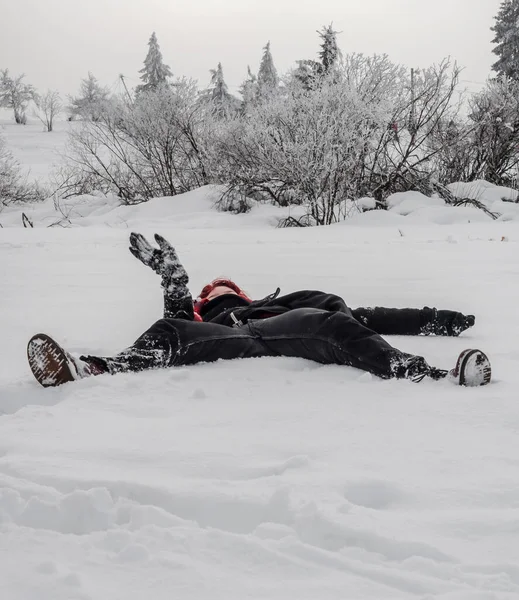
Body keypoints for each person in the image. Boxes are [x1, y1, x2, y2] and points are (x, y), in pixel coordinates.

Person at [27, 232, 492, 389]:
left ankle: (433, 376)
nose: (217, 289)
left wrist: (441, 319)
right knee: (169, 329)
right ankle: (89, 368)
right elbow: (180, 314)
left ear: (246, 294)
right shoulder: (206, 316)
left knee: (329, 323)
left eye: (224, 287)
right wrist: (175, 280)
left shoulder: (283, 303)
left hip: (283, 327)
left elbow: (380, 315)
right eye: (210, 291)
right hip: (239, 340)